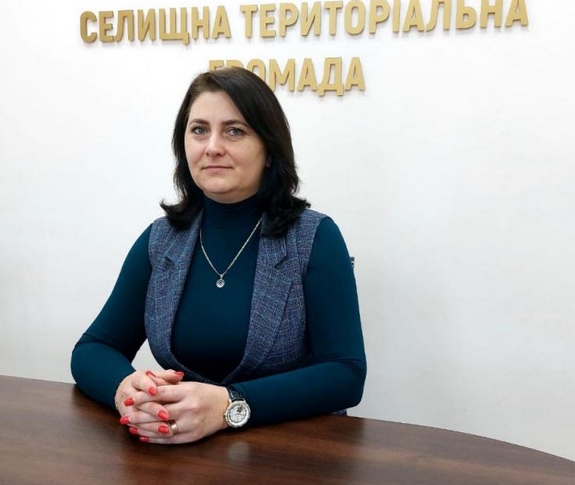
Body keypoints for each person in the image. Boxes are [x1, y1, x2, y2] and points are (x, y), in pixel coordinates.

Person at [71, 66, 366, 444]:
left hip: (291, 456)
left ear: (269, 150)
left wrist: (229, 405)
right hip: (178, 455)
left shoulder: (313, 238)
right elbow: (93, 348)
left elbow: (345, 374)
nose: (212, 146)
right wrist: (126, 389)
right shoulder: (161, 241)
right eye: (199, 130)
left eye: (234, 131)